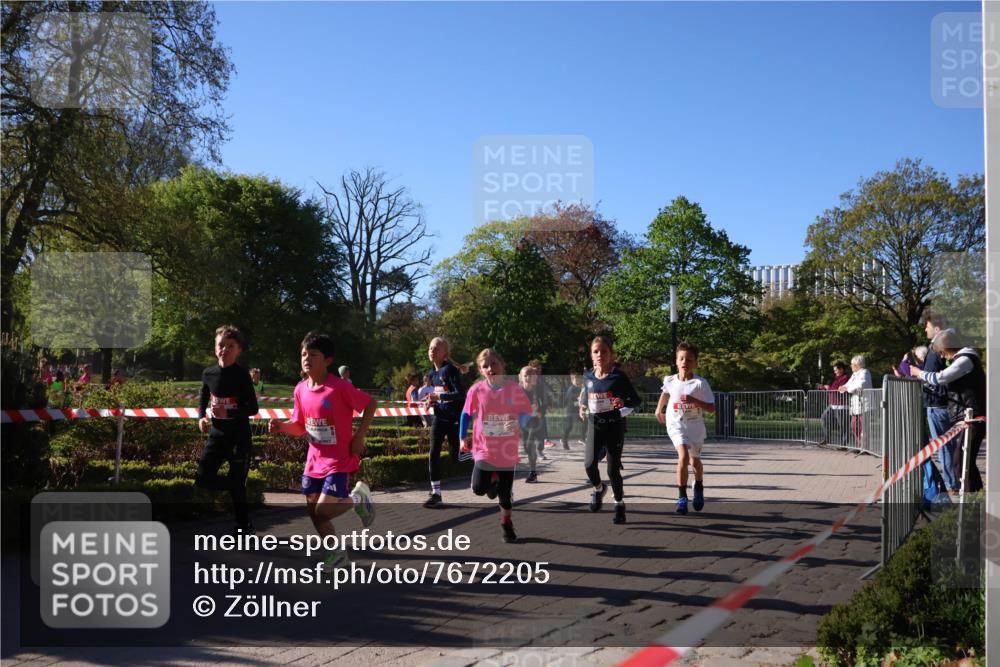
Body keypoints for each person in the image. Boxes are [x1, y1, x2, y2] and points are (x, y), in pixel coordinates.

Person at [269, 332, 377, 570]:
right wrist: (282, 426)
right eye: (303, 354)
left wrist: (360, 436)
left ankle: (359, 498)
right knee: (315, 514)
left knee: (324, 510)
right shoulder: (300, 390)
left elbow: (371, 403)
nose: (306, 358)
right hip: (314, 462)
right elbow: (299, 425)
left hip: (339, 459)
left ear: (328, 360)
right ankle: (336, 555)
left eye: (313, 354)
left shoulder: (338, 387)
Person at [460, 349, 535, 543]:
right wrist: (462, 438)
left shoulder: (514, 389)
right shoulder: (476, 390)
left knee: (504, 496)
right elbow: (465, 414)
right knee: (478, 488)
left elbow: (526, 412)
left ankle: (506, 523)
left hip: (506, 449)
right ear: (481, 370)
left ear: (502, 365)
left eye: (494, 364)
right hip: (483, 448)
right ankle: (491, 482)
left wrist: (519, 422)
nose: (490, 368)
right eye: (485, 366)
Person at [196, 325, 260, 534]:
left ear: (238, 350)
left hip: (238, 436)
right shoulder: (209, 373)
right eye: (221, 345)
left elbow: (253, 407)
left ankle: (243, 525)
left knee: (237, 484)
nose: (224, 349)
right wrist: (201, 416)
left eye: (230, 346)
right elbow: (204, 396)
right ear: (215, 348)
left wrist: (229, 413)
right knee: (203, 478)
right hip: (217, 435)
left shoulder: (242, 376)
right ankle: (234, 484)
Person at [912, 329, 986, 493]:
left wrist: (919, 373)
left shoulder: (965, 359)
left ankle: (973, 502)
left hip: (972, 417)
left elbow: (940, 378)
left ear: (946, 348)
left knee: (962, 463)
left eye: (942, 353)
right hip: (968, 417)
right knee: (964, 462)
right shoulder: (966, 358)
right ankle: (976, 499)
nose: (943, 357)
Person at [579, 336, 642, 524]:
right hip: (594, 425)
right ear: (591, 355)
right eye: (596, 352)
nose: (600, 355)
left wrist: (623, 402)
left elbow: (636, 400)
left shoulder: (618, 376)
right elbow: (585, 397)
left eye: (604, 351)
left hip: (614, 426)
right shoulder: (588, 376)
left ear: (611, 355)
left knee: (613, 470)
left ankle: (619, 504)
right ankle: (599, 489)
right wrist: (582, 406)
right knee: (589, 464)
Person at [655, 342, 716, 515]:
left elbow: (712, 408)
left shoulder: (700, 383)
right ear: (676, 361)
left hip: (694, 427)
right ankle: (682, 497)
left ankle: (698, 485)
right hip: (675, 424)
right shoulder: (670, 380)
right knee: (683, 456)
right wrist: (659, 409)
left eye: (689, 359)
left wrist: (694, 401)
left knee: (694, 461)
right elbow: (665, 393)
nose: (685, 362)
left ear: (696, 363)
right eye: (681, 358)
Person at [422, 336, 467, 508]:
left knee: (456, 457)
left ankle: (480, 459)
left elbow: (460, 394)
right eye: (431, 348)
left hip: (454, 420)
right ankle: (436, 493)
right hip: (439, 418)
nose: (432, 351)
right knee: (433, 453)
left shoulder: (449, 370)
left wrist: (439, 396)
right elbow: (439, 397)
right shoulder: (432, 374)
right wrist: (431, 401)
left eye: (436, 349)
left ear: (445, 354)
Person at [921, 313, 960, 493]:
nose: (925, 329)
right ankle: (954, 479)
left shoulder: (937, 348)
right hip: (942, 403)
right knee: (948, 445)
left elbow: (935, 378)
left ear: (936, 329)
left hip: (937, 404)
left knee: (943, 444)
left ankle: (952, 482)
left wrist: (919, 374)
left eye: (927, 326)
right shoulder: (942, 348)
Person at [838, 355, 873, 448]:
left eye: (852, 364)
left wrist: (847, 388)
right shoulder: (854, 374)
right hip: (855, 406)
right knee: (854, 426)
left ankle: (864, 447)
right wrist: (842, 387)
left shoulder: (865, 372)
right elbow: (848, 384)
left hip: (864, 405)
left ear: (858, 365)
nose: (851, 366)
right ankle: (858, 445)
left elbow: (861, 384)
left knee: (863, 428)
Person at [519, 365, 545, 483]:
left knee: (530, 444)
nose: (528, 378)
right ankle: (533, 469)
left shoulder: (538, 389)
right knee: (526, 447)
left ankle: (532, 472)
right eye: (525, 376)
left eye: (530, 376)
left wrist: (540, 410)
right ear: (521, 377)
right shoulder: (518, 390)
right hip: (522, 421)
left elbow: (545, 403)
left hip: (535, 421)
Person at [819, 361, 850, 446]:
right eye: (834, 370)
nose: (835, 372)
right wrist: (825, 388)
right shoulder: (836, 378)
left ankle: (844, 444)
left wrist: (828, 388)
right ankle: (827, 438)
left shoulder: (845, 378)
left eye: (836, 370)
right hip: (833, 404)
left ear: (841, 369)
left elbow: (840, 390)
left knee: (843, 425)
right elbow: (833, 388)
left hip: (841, 405)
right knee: (824, 417)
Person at [560, 372, 584, 450]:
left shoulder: (580, 388)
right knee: (569, 426)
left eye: (578, 379)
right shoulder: (571, 389)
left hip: (577, 411)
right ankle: (564, 440)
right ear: (572, 380)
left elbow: (582, 398)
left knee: (585, 422)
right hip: (570, 411)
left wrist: (582, 402)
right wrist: (579, 401)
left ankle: (582, 438)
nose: (577, 381)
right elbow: (570, 401)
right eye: (575, 380)